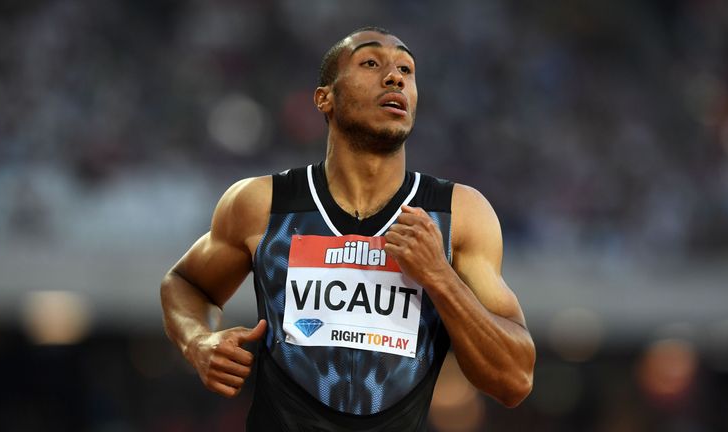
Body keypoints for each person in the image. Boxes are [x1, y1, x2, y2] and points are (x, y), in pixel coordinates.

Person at [160, 26, 535, 431]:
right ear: (325, 98)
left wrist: (441, 279)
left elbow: (513, 381)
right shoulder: (262, 204)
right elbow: (184, 283)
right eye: (371, 63)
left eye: (406, 70)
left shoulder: (457, 214)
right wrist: (198, 342)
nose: (394, 77)